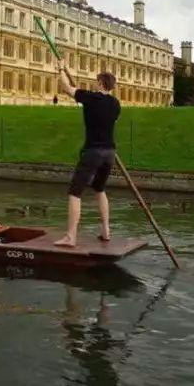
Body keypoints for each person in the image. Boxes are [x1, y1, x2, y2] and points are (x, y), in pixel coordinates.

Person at [53, 59, 120, 248]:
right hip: (110, 152)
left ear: (100, 83)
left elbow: (66, 88)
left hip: (93, 152)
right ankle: (106, 230)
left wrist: (60, 69)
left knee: (75, 192)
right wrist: (67, 69)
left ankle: (71, 236)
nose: (93, 83)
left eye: (96, 81)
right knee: (100, 189)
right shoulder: (116, 104)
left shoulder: (90, 97)